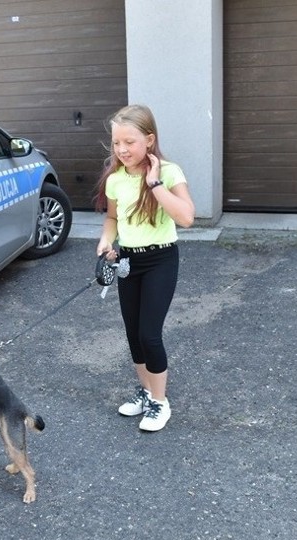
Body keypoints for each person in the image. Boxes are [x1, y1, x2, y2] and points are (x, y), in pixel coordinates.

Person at [95, 104, 195, 432]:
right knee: (133, 335)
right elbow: (112, 219)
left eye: (130, 142)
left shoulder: (169, 172)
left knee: (150, 335)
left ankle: (160, 403)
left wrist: (155, 184)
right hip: (128, 260)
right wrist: (106, 242)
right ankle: (148, 391)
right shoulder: (116, 179)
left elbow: (187, 217)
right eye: (116, 143)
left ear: (149, 140)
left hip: (160, 259)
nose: (122, 150)